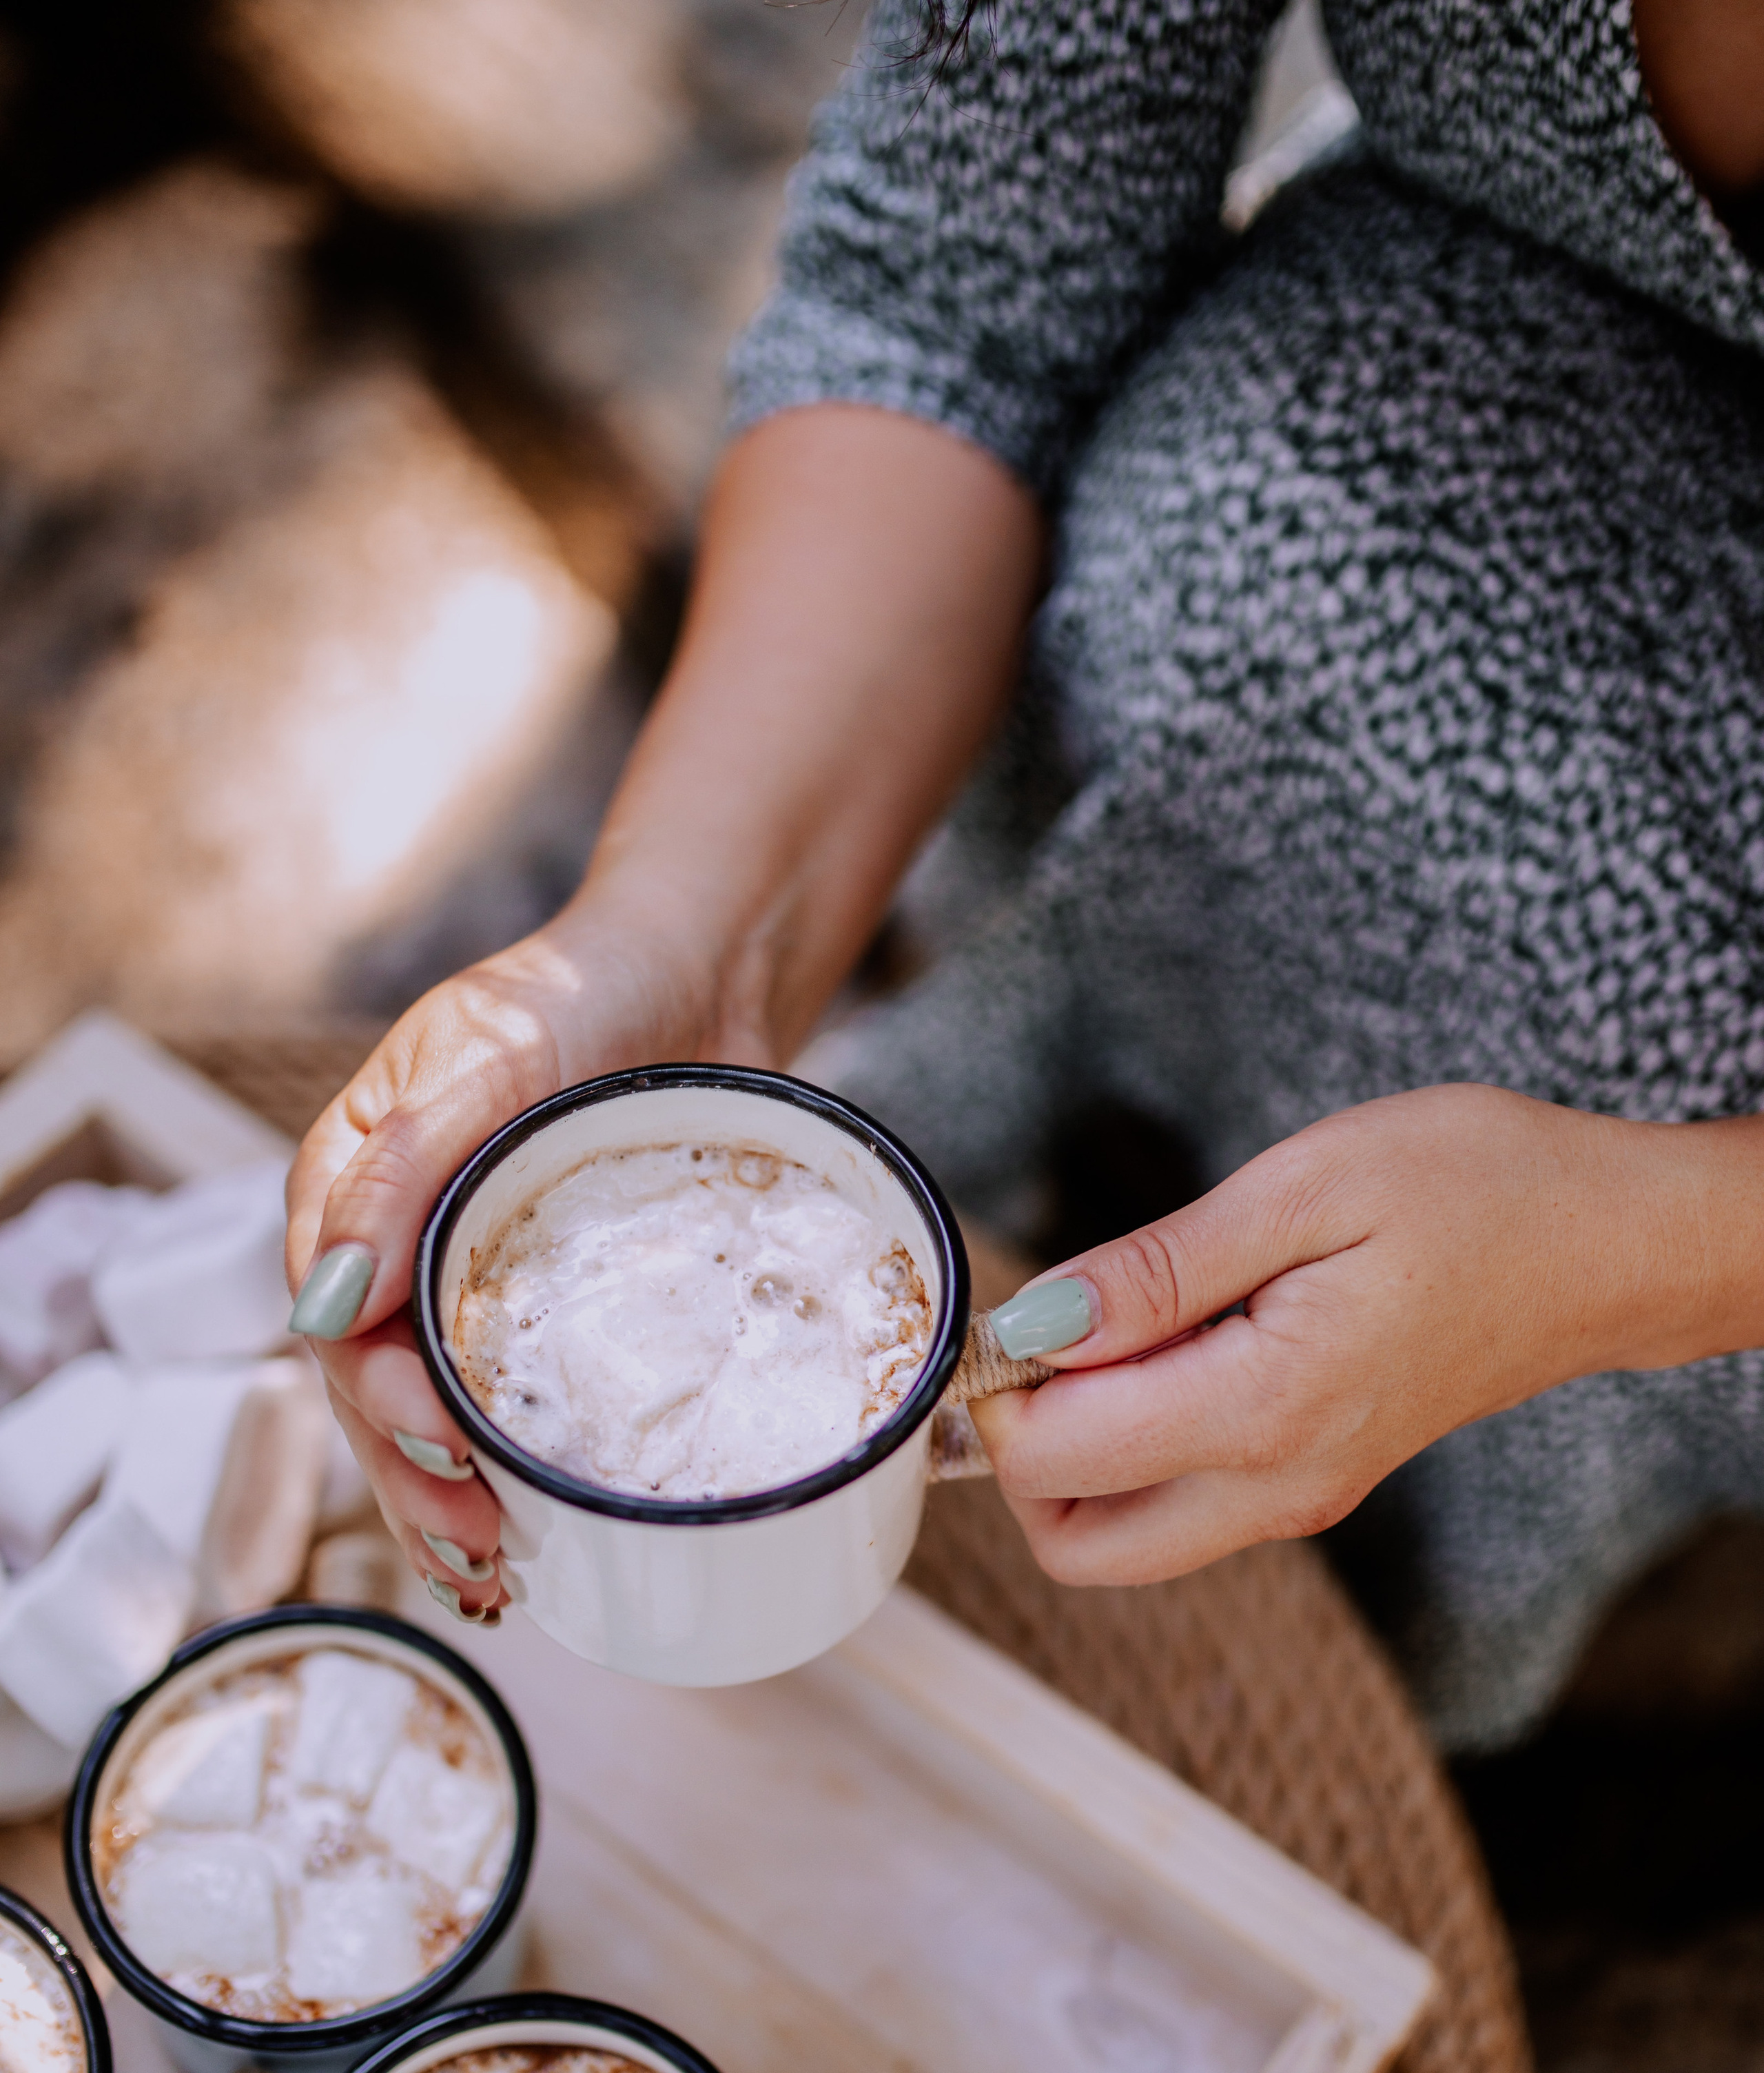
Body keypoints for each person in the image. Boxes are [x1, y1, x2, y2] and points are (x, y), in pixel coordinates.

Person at [286, 0, 1764, 1751]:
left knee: (1646, 1032)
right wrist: (677, 932)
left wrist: (1635, 1250)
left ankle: (1472, 1580)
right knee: (1219, 558)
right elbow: (948, 292)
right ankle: (1058, 1086)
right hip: (1360, 445)